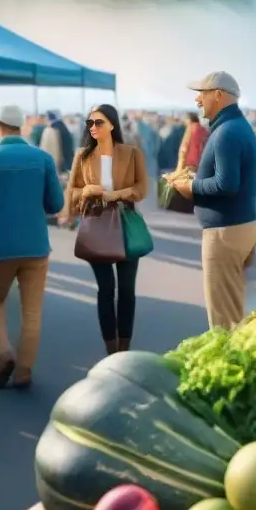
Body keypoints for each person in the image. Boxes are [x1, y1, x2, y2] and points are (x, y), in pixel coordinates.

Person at [0, 105, 64, 388]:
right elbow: (55, 205)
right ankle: (23, 371)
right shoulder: (42, 158)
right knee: (31, 313)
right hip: (36, 246)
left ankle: (3, 353)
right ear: (22, 126)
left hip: (0, 247)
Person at [172, 72, 256, 330]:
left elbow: (226, 184)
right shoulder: (234, 127)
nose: (198, 100)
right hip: (236, 228)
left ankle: (231, 368)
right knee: (231, 311)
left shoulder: (226, 133)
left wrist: (190, 185)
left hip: (225, 234)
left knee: (224, 322)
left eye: (202, 93)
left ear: (218, 95)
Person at [68, 104, 149, 354]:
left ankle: (124, 347)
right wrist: (88, 191)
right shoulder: (82, 156)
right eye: (90, 123)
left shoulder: (132, 153)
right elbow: (71, 194)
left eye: (99, 122)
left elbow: (142, 188)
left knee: (126, 289)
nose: (93, 127)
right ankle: (111, 350)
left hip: (126, 222)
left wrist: (116, 194)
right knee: (106, 289)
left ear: (112, 124)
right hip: (96, 224)